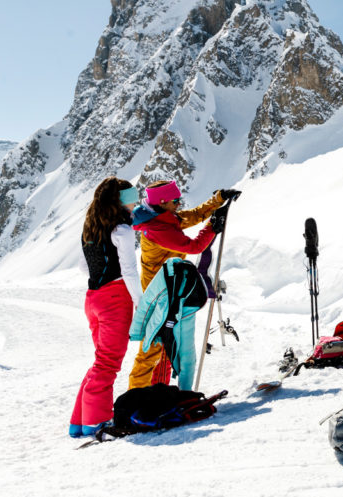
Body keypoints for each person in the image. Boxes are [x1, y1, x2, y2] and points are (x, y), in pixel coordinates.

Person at [126, 180, 239, 388]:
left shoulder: (162, 216)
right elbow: (193, 246)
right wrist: (212, 227)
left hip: (172, 290)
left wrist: (218, 199)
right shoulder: (156, 228)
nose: (179, 203)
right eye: (175, 200)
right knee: (151, 347)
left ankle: (157, 392)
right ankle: (135, 397)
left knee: (170, 344)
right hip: (160, 295)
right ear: (162, 202)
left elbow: (193, 215)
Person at [70, 178, 142, 437]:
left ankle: (79, 421)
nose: (135, 203)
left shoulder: (91, 227)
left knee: (101, 360)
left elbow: (83, 266)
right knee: (108, 363)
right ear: (121, 201)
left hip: (93, 298)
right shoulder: (122, 229)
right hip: (114, 298)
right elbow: (130, 271)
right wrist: (140, 303)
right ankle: (95, 422)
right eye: (132, 198)